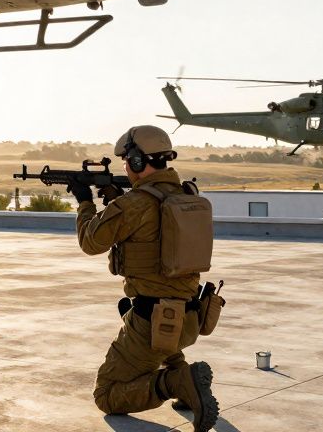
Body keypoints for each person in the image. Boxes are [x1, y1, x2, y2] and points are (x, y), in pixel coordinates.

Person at [73, 125, 219, 431]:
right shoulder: (185, 195)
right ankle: (183, 375)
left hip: (153, 324)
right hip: (190, 319)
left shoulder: (133, 204)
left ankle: (176, 382)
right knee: (128, 309)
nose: (125, 165)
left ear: (139, 161)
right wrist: (117, 198)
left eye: (127, 159)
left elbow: (90, 242)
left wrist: (85, 201)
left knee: (107, 395)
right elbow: (153, 231)